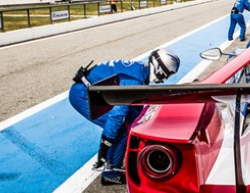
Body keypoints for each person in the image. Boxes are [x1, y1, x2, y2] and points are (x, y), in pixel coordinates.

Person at [68, 49, 180, 185]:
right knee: (122, 128)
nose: (165, 78)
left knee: (131, 122)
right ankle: (110, 174)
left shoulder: (140, 72)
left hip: (91, 90)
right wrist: (105, 143)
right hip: (82, 94)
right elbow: (118, 114)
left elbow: (135, 110)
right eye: (167, 73)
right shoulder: (134, 79)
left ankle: (118, 160)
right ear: (159, 67)